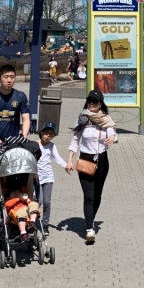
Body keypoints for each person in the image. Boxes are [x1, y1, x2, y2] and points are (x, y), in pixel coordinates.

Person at [0, 64, 31, 233]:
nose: (9, 80)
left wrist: (23, 136)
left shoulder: (20, 96)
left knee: (13, 185)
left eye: (12, 77)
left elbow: (26, 119)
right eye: (6, 77)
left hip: (12, 147)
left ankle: (15, 219)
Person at [65, 89, 116, 244]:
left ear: (100, 104)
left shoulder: (106, 119)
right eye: (89, 101)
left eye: (95, 101)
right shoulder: (83, 119)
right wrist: (69, 160)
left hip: (101, 160)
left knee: (97, 195)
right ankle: (89, 229)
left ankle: (90, 219)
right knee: (89, 196)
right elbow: (75, 140)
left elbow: (112, 131)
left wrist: (112, 137)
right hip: (85, 160)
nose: (92, 104)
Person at [35, 122, 66, 234]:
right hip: (36, 177)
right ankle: (32, 222)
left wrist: (65, 166)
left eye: (51, 134)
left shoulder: (52, 146)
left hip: (48, 177)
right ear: (41, 132)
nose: (48, 136)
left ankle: (45, 224)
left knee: (47, 202)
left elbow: (57, 158)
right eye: (46, 133)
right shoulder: (34, 145)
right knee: (38, 201)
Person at [3, 176, 41, 242]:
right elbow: (7, 205)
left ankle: (32, 222)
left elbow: (30, 203)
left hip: (27, 211)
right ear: (9, 197)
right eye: (15, 193)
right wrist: (18, 198)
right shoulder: (9, 201)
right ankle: (23, 233)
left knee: (34, 204)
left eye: (18, 192)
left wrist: (26, 199)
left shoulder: (23, 200)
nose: (18, 194)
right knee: (21, 212)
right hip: (17, 212)